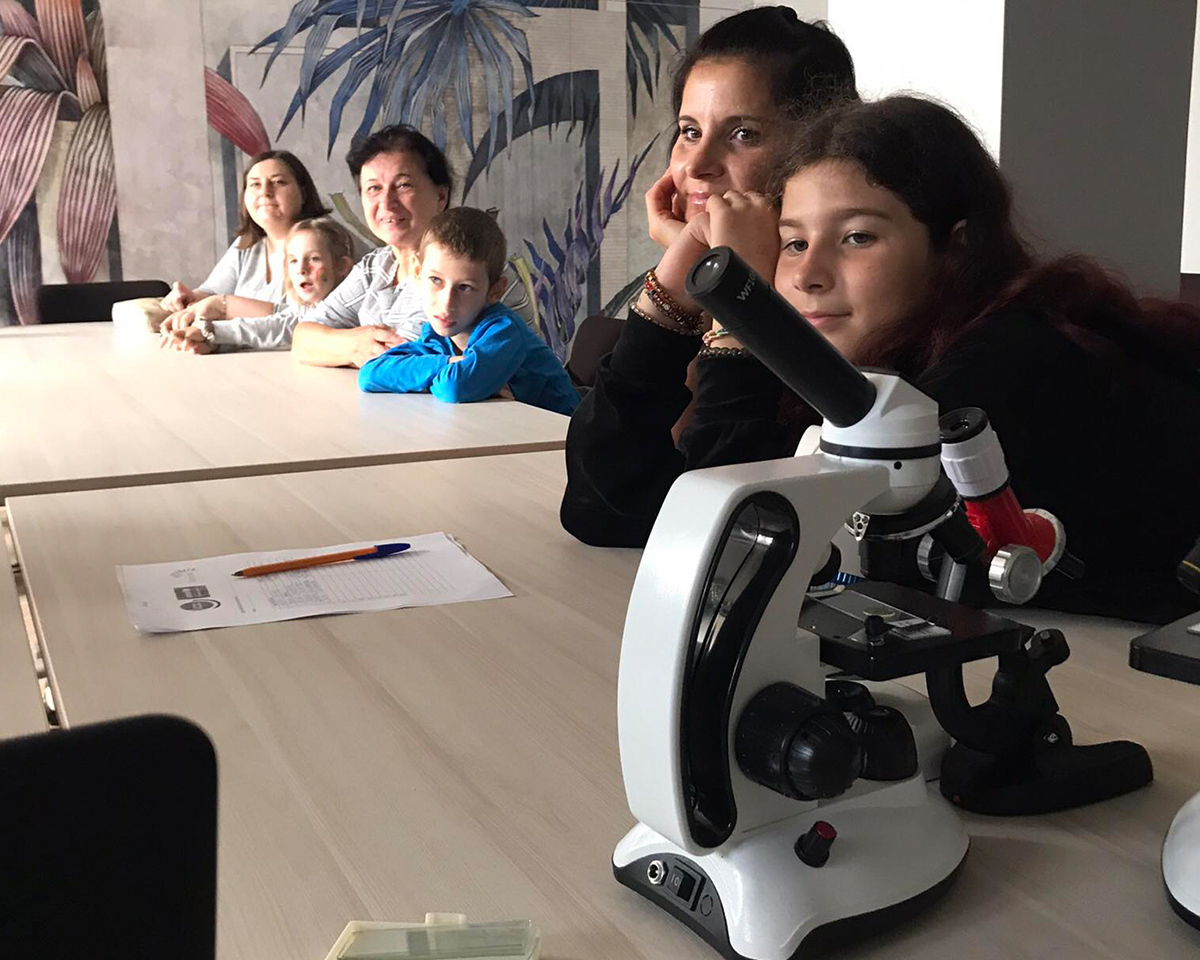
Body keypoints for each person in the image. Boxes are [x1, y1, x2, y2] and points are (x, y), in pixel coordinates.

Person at [562, 94, 1200, 623]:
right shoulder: (861, 364)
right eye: (791, 244)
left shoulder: (1010, 357)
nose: (808, 274)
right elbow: (603, 508)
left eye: (857, 237)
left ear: (957, 248)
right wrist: (669, 296)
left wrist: (741, 320)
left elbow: (740, 560)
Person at [359, 208, 580, 416]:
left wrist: (427, 373)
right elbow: (371, 374)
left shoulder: (504, 331)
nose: (446, 303)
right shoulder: (437, 334)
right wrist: (449, 363)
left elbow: (454, 387)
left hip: (563, 436)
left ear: (494, 291)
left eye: (464, 287)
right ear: (418, 273)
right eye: (435, 280)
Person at [290, 125, 452, 368]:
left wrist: (342, 347)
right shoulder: (377, 265)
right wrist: (354, 344)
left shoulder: (457, 267)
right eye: (374, 188)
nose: (386, 203)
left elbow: (400, 363)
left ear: (441, 196)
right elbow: (303, 339)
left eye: (403, 185)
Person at [160, 151, 327, 319]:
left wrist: (225, 305)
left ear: (303, 193)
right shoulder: (246, 244)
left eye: (278, 182)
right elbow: (211, 292)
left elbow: (310, 317)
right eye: (255, 184)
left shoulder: (325, 241)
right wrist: (188, 298)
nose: (265, 192)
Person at [159, 216, 356, 354]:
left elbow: (284, 329)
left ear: (342, 266)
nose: (301, 269)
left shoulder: (347, 307)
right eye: (294, 261)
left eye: (314, 258)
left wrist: (210, 332)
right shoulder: (306, 307)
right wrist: (213, 343)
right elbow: (273, 324)